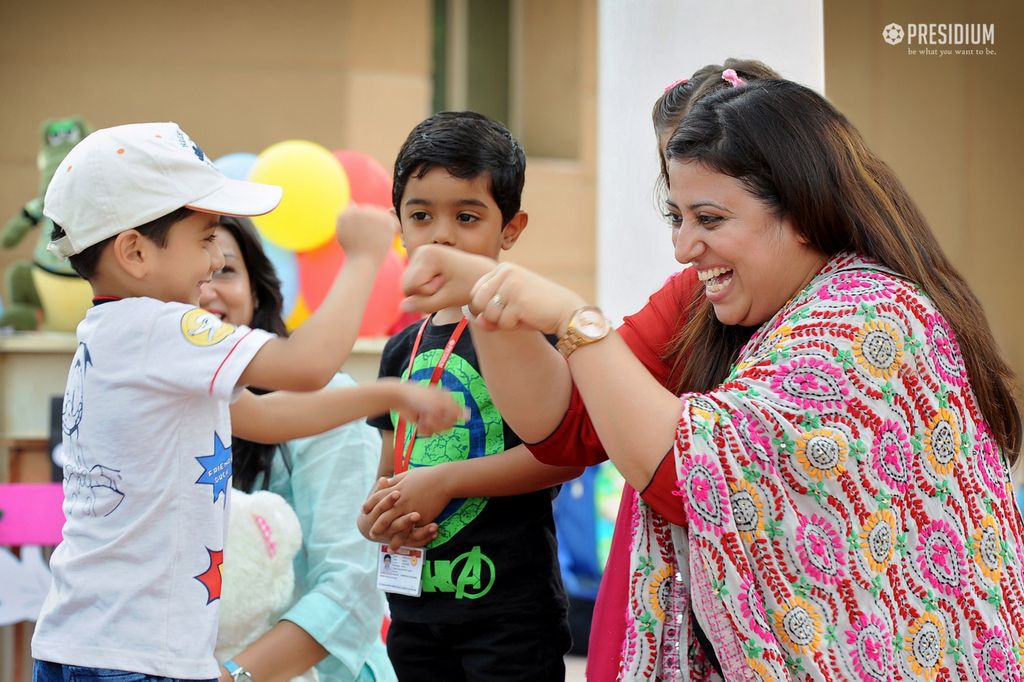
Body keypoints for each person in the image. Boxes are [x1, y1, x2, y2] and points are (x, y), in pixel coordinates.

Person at [399, 79, 1024, 681]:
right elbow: (570, 430)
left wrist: (573, 320)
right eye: (677, 216)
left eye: (709, 218)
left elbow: (695, 476)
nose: (683, 246)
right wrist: (489, 299)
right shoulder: (710, 301)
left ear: (801, 210)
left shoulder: (867, 318)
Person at [30, 122, 462, 682]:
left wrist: (387, 394)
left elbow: (266, 417)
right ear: (134, 251)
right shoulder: (163, 328)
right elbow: (306, 368)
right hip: (140, 659)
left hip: (83, 641)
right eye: (206, 238)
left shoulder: (109, 337)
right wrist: (360, 259)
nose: (213, 261)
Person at [359, 111, 582, 682]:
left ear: (510, 228)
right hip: (415, 608)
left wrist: (448, 480)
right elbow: (389, 474)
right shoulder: (400, 349)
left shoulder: (534, 334)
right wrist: (376, 519)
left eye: (466, 216)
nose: (441, 235)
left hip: (508, 612)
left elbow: (556, 460)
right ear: (398, 224)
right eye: (421, 215)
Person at [199, 216, 396, 682]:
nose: (205, 291)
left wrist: (233, 676)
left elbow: (351, 586)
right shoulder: (167, 398)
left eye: (224, 270)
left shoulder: (324, 406)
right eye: (195, 273)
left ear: (257, 293)